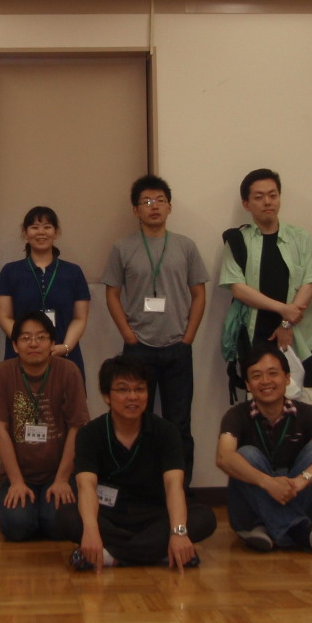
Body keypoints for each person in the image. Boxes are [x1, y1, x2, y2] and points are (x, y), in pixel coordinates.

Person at [58, 356, 216, 570]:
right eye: (123, 389)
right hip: (108, 515)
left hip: (155, 514)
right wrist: (91, 530)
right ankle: (159, 553)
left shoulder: (166, 431)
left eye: (139, 389)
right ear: (107, 396)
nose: (132, 397)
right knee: (66, 517)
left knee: (205, 518)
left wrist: (178, 532)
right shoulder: (90, 433)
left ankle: (111, 556)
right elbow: (86, 486)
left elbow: (173, 485)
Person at [102, 175, 208, 485]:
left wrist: (188, 337)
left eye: (160, 200)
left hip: (177, 346)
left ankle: (180, 491)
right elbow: (112, 294)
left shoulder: (186, 246)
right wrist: (128, 335)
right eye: (146, 201)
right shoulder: (122, 248)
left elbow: (199, 293)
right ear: (136, 210)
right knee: (135, 420)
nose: (154, 206)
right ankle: (142, 489)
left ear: (170, 207)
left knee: (179, 423)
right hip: (138, 349)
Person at [216, 343, 312, 555]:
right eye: (256, 376)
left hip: (296, 497)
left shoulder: (306, 413)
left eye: (273, 373)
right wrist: (268, 483)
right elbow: (224, 457)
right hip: (248, 514)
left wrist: (301, 480)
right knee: (246, 455)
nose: (265, 381)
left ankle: (269, 530)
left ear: (287, 378)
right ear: (248, 384)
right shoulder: (236, 415)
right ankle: (300, 534)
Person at [0, 312, 88, 541]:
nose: (34, 343)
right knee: (18, 526)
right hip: (19, 473)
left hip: (58, 472)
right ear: (15, 345)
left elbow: (77, 428)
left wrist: (62, 480)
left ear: (52, 343)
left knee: (58, 525)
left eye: (41, 337)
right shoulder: (0, 373)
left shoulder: (68, 371)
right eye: (26, 338)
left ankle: (43, 510)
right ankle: (32, 510)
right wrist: (16, 482)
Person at [219, 168, 312, 387]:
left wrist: (286, 323)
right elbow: (238, 288)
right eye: (259, 197)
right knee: (260, 399)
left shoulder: (300, 237)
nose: (267, 202)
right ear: (246, 204)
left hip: (297, 337)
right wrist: (283, 309)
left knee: (299, 401)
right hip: (255, 336)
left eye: (273, 195)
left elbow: (311, 281)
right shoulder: (237, 241)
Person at [0, 206, 90, 377]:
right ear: (25, 233)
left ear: (56, 232)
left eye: (47, 227)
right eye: (34, 227)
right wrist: (26, 343)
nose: (41, 232)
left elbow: (79, 318)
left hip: (65, 355)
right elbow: (4, 317)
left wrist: (65, 347)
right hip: (21, 357)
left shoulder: (73, 272)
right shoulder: (10, 271)